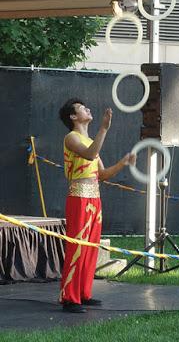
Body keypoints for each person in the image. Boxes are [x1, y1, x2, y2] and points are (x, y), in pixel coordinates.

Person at [58, 98, 135, 313]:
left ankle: (83, 293)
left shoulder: (91, 140)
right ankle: (69, 297)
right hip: (79, 197)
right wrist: (103, 127)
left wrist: (123, 163)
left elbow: (102, 175)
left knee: (91, 248)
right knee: (77, 247)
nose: (88, 109)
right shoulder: (71, 138)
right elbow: (90, 154)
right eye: (82, 108)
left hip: (94, 198)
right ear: (73, 117)